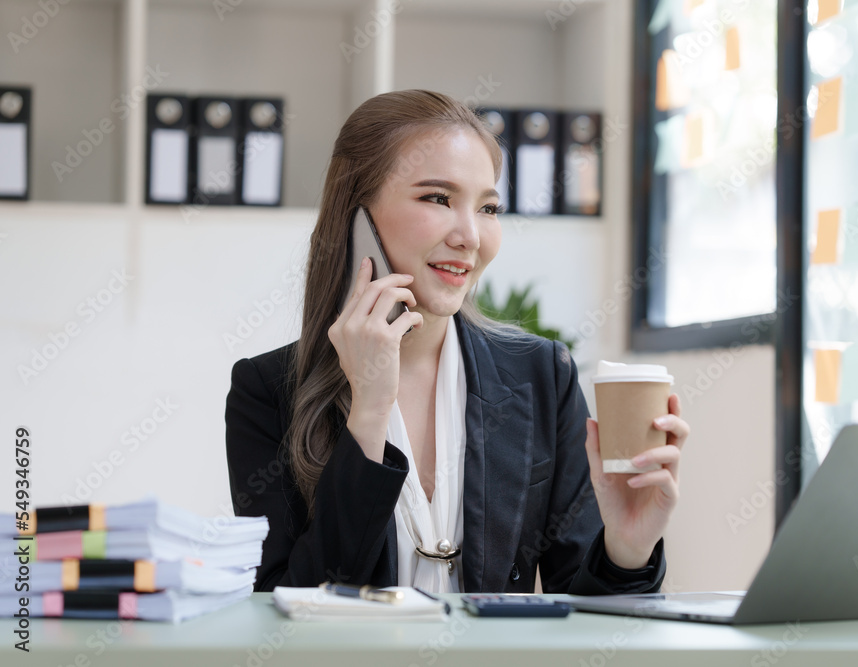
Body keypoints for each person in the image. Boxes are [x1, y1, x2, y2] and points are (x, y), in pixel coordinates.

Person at [225, 89, 689, 595]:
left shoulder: (542, 374)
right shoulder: (266, 391)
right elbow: (285, 609)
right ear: (358, 219)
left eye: (488, 208)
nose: (471, 236)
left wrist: (626, 548)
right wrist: (369, 414)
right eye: (438, 199)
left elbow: (586, 627)